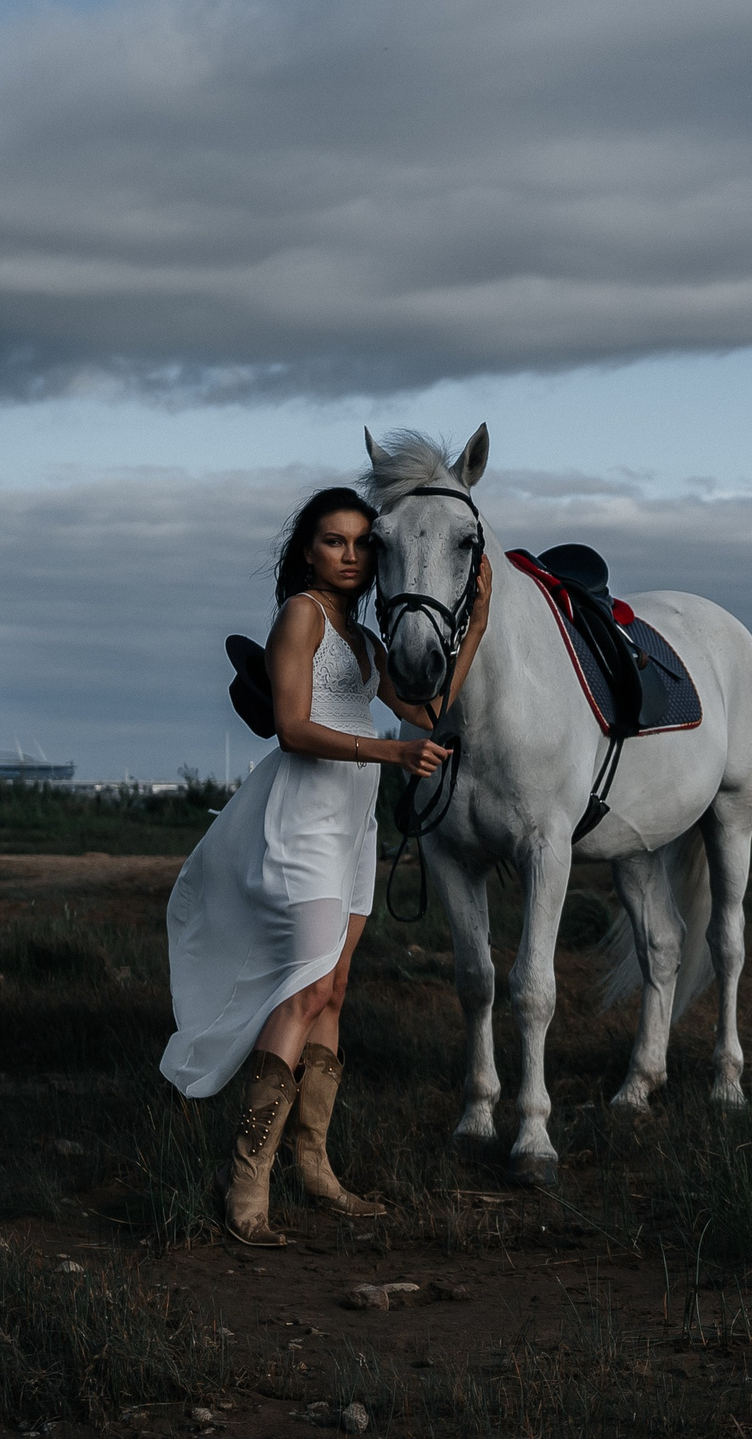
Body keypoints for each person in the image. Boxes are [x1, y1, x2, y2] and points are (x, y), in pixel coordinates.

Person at [159, 485, 491, 1245]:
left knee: (335, 989)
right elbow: (294, 727)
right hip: (302, 820)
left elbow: (431, 710)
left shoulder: (368, 640)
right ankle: (246, 1175)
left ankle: (314, 1163)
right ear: (308, 550)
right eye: (334, 541)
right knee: (305, 986)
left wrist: (478, 624)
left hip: (352, 827)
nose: (350, 555)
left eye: (360, 543)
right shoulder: (302, 614)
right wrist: (389, 751)